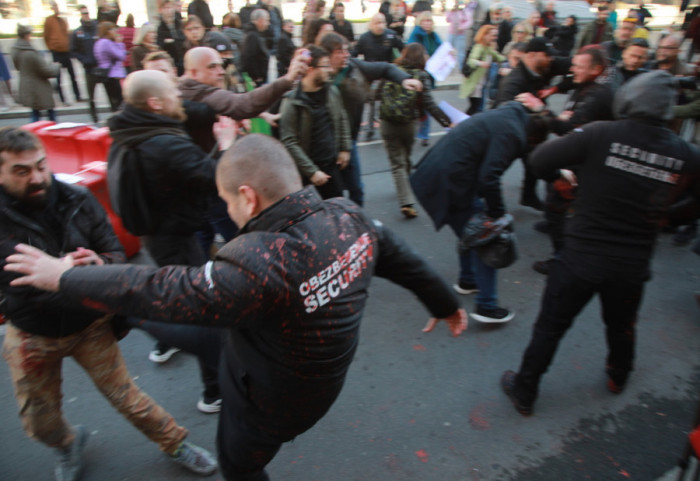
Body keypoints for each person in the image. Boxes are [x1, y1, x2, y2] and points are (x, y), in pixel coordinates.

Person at [5, 133, 468, 481]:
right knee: (195, 334)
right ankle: (145, 327)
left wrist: (62, 276)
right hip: (297, 359)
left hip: (270, 401)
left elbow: (158, 285)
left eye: (228, 201)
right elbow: (406, 259)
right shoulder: (350, 217)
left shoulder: (259, 262)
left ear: (248, 196)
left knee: (237, 463)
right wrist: (444, 303)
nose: (228, 212)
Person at [0, 127, 218, 481]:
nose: (38, 178)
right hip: (31, 334)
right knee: (39, 420)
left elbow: (116, 253)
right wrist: (69, 274)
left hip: (89, 324)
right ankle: (67, 444)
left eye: (41, 165)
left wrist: (100, 266)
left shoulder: (77, 198)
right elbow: (15, 288)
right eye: (21, 171)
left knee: (128, 398)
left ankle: (176, 443)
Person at [500, 71, 700, 417]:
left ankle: (525, 390)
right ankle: (618, 376)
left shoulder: (600, 134)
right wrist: (669, 218)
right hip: (631, 264)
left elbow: (540, 160)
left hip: (581, 257)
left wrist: (570, 184)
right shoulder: (686, 154)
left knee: (550, 326)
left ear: (629, 100)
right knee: (621, 324)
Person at [108, 69, 236, 412]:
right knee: (207, 315)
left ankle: (166, 333)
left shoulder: (131, 127)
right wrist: (226, 144)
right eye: (172, 92)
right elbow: (213, 177)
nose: (179, 96)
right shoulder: (163, 142)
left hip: (160, 235)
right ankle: (214, 391)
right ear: (155, 103)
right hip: (175, 239)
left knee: (188, 303)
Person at [410, 102, 549, 323]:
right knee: (487, 238)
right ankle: (486, 306)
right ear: (533, 140)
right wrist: (497, 216)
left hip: (436, 174)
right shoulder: (513, 135)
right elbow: (490, 177)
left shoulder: (511, 113)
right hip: (448, 181)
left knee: (470, 230)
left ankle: (468, 281)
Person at [517, 45, 614, 275]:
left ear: (596, 69)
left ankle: (562, 257)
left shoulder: (598, 95)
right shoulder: (585, 86)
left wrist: (540, 108)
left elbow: (566, 128)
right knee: (562, 199)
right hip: (579, 153)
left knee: (559, 197)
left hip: (587, 160)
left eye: (578, 67)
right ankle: (556, 225)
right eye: (573, 65)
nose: (572, 70)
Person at [320, 32, 422, 207]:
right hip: (324, 144)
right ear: (327, 55)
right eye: (340, 52)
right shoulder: (319, 76)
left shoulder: (354, 68)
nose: (346, 55)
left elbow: (384, 68)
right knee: (332, 193)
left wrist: (404, 80)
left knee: (356, 189)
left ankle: (357, 224)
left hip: (348, 140)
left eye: (346, 51)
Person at [494, 37, 571, 211]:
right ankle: (487, 203)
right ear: (532, 55)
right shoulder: (514, 81)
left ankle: (528, 195)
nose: (550, 59)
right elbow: (501, 109)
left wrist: (555, 88)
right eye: (547, 56)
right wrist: (538, 109)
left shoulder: (544, 65)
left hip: (533, 130)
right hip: (512, 131)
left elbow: (576, 66)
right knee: (498, 165)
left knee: (535, 161)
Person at [379, 43, 451, 218]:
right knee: (404, 157)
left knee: (398, 163)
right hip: (408, 124)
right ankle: (406, 197)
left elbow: (376, 94)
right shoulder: (421, 76)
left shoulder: (392, 70)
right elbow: (429, 103)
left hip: (387, 122)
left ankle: (405, 196)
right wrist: (446, 122)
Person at [279, 45, 351, 200]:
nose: (330, 70)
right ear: (310, 69)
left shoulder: (332, 92)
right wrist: (311, 171)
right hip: (308, 175)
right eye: (325, 66)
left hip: (332, 167)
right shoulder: (292, 102)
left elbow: (342, 117)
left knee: (337, 212)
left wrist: (345, 148)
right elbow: (289, 141)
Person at [352, 13, 404, 141]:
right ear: (371, 24)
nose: (380, 25)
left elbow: (404, 48)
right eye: (377, 23)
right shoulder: (364, 38)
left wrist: (400, 62)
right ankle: (370, 128)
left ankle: (391, 127)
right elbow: (353, 54)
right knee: (371, 102)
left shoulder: (391, 35)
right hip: (371, 75)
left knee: (389, 100)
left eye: (382, 22)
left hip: (387, 74)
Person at [407, 11, 442, 146]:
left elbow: (442, 49)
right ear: (419, 22)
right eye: (424, 21)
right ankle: (412, 132)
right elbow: (410, 53)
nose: (427, 23)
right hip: (417, 74)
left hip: (429, 75)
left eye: (429, 21)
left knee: (426, 104)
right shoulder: (415, 34)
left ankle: (424, 135)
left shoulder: (433, 35)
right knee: (415, 104)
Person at [12, 24, 59, 123]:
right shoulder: (30, 53)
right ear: (26, 35)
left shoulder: (16, 50)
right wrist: (56, 66)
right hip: (39, 87)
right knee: (49, 111)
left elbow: (17, 67)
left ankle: (33, 132)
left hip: (27, 85)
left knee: (35, 111)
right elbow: (46, 71)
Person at [43, 0, 82, 106]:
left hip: (66, 52)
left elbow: (67, 34)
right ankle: (63, 99)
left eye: (57, 6)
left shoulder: (62, 21)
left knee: (72, 75)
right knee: (59, 77)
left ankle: (77, 96)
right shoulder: (49, 20)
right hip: (57, 52)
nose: (56, 9)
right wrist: (51, 47)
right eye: (54, 7)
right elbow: (46, 36)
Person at [460, 24, 504, 115]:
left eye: (496, 35)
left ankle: (463, 122)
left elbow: (498, 57)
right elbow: (471, 61)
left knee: (476, 108)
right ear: (485, 35)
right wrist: (481, 63)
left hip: (481, 85)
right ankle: (464, 123)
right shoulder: (479, 47)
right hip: (475, 85)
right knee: (477, 108)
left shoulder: (487, 48)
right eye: (493, 35)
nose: (495, 38)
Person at [70, 5, 100, 123]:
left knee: (110, 92)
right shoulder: (78, 32)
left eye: (87, 13)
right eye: (83, 13)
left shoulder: (97, 28)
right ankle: (94, 117)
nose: (86, 15)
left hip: (102, 66)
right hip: (89, 68)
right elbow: (73, 50)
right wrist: (83, 60)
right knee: (91, 96)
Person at [93, 21, 127, 112]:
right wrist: (120, 43)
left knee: (113, 101)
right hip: (113, 74)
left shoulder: (99, 42)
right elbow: (121, 56)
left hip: (106, 73)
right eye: (113, 29)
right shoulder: (106, 43)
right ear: (107, 31)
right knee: (120, 102)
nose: (115, 32)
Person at [241, 8, 271, 86]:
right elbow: (249, 57)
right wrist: (256, 77)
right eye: (267, 20)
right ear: (260, 20)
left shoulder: (254, 34)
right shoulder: (252, 36)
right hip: (257, 80)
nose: (268, 23)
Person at [157, 0, 186, 74]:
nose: (168, 11)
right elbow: (159, 45)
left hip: (184, 60)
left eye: (170, 7)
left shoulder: (180, 24)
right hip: (172, 63)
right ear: (161, 10)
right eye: (165, 8)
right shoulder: (160, 28)